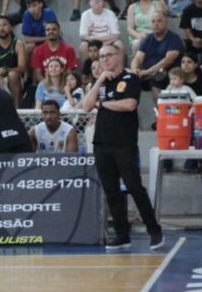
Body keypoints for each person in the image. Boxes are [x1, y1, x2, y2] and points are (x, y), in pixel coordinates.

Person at [83, 44, 164, 251]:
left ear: (119, 56)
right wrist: (100, 79)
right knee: (111, 191)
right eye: (101, 57)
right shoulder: (101, 82)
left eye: (108, 55)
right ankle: (122, 235)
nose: (104, 60)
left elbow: (129, 105)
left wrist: (103, 104)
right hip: (101, 143)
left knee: (134, 187)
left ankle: (154, 230)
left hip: (124, 144)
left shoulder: (131, 79)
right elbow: (85, 106)